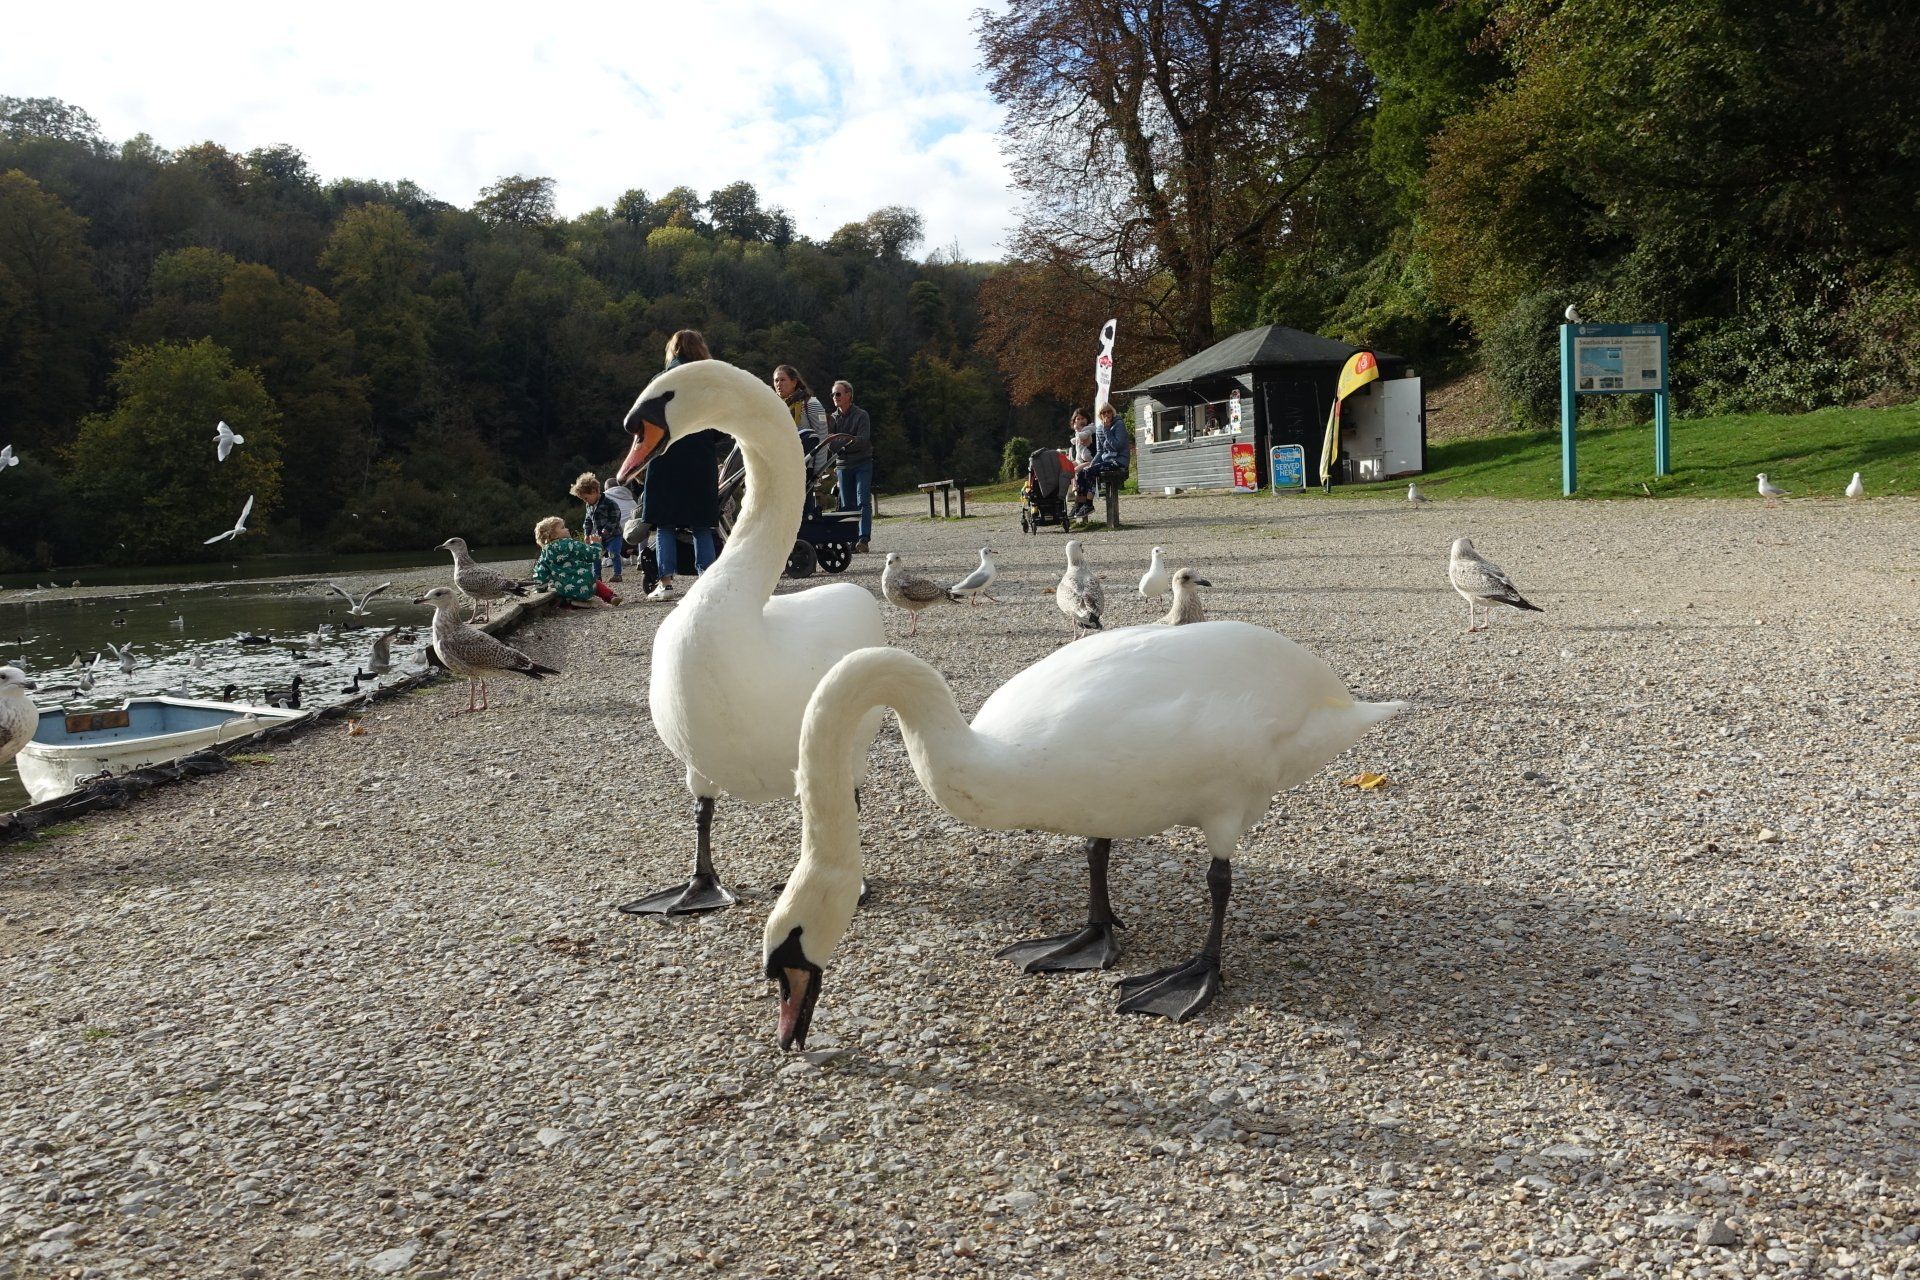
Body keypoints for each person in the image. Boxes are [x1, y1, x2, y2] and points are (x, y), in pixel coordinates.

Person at [643, 330, 724, 601]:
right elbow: (721, 425)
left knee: (665, 524)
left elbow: (646, 422)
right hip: (700, 459)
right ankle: (706, 582)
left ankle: (665, 583)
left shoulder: (660, 380)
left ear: (673, 350)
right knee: (702, 524)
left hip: (665, 458)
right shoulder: (708, 383)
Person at [826, 379, 874, 552]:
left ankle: (863, 538)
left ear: (849, 395)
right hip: (843, 466)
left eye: (838, 393)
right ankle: (850, 540)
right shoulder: (832, 418)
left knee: (863, 501)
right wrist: (848, 440)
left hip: (862, 463)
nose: (835, 397)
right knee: (846, 505)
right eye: (832, 394)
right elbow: (830, 444)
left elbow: (863, 441)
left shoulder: (862, 415)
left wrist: (841, 442)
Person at [531, 517, 616, 607]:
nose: (567, 529)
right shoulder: (572, 544)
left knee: (556, 586)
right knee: (596, 583)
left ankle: (571, 602)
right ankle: (610, 597)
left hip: (566, 591)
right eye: (563, 527)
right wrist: (596, 544)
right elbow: (593, 555)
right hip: (587, 585)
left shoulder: (545, 553)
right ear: (553, 535)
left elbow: (541, 573)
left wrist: (540, 589)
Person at [1081, 402, 1133, 527]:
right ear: (1100, 415)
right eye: (1103, 413)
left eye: (1108, 411)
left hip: (1119, 461)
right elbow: (1100, 451)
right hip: (1107, 460)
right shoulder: (1099, 429)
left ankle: (1088, 504)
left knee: (1090, 472)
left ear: (1112, 412)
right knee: (1086, 471)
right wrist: (1092, 464)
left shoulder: (1119, 424)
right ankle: (1082, 504)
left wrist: (1107, 430)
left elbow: (1117, 446)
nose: (1107, 414)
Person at [570, 473, 626, 583]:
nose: (585, 501)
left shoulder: (609, 502)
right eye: (583, 499)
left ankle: (617, 574)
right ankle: (597, 576)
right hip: (598, 537)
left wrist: (608, 529)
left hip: (613, 535)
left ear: (594, 491)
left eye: (586, 498)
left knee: (614, 553)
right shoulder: (589, 505)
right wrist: (587, 533)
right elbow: (588, 520)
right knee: (595, 555)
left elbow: (615, 516)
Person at [772, 365, 828, 451]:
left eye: (783, 380)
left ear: (794, 382)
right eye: (776, 380)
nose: (779, 384)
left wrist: (820, 465)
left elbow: (822, 438)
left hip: (805, 462)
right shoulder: (774, 407)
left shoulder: (810, 403)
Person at [1067, 407, 1096, 521]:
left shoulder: (1090, 429)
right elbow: (1074, 444)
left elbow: (1083, 437)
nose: (1080, 421)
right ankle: (1077, 501)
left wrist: (1078, 430)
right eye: (1077, 419)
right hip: (1081, 461)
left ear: (1087, 419)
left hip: (1091, 461)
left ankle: (1080, 504)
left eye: (1082, 418)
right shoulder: (1077, 434)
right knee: (1069, 468)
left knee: (1077, 471)